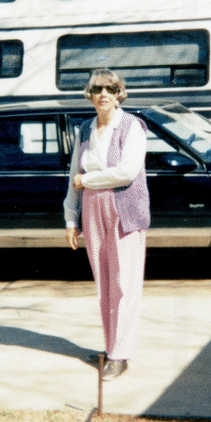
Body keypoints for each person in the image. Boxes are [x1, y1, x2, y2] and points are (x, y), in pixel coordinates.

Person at [64, 68, 150, 381]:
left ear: (118, 94)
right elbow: (72, 176)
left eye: (110, 89)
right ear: (90, 94)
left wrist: (88, 180)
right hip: (91, 205)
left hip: (123, 207)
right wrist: (71, 218)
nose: (104, 94)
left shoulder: (132, 127)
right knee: (104, 282)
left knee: (124, 282)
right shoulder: (84, 130)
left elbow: (126, 172)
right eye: (98, 89)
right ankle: (110, 346)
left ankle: (121, 355)